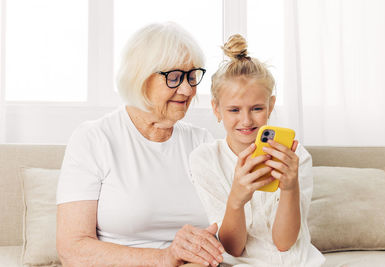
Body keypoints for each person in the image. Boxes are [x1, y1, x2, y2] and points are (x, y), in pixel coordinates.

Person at [56, 22, 225, 267]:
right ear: (139, 77)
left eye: (192, 76)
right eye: (175, 77)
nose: (188, 90)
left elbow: (227, 229)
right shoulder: (93, 138)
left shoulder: (201, 142)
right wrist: (165, 258)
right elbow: (73, 249)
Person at [189, 34, 325, 266]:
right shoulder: (205, 160)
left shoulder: (296, 156)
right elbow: (233, 248)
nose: (246, 120)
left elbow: (284, 243)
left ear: (271, 105)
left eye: (257, 108)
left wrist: (290, 187)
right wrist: (236, 199)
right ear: (216, 109)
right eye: (233, 110)